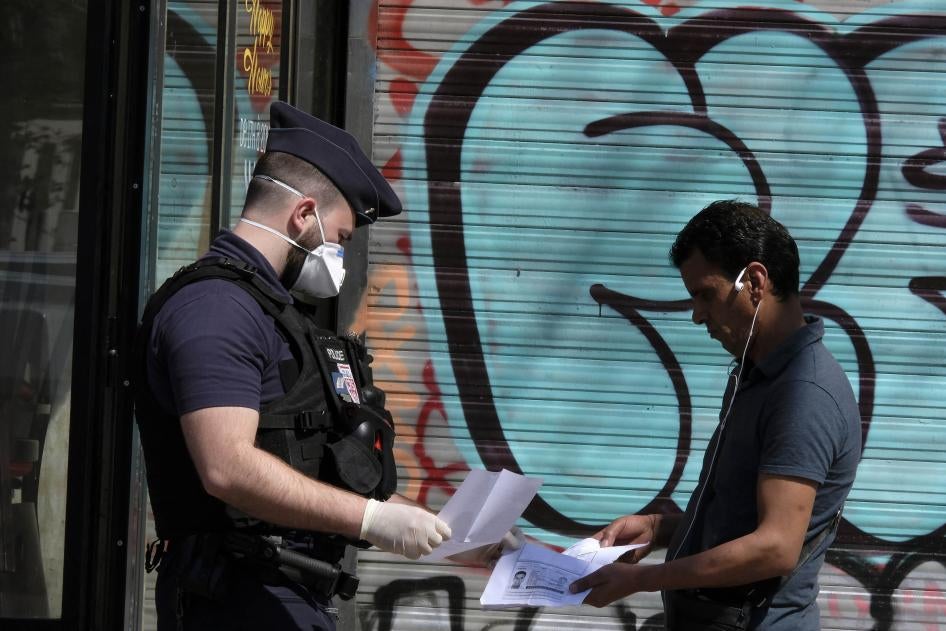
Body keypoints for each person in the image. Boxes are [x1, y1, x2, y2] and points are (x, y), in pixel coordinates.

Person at [135, 102, 516, 631]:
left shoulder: (273, 313)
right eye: (341, 238)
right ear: (304, 214)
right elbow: (226, 466)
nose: (340, 255)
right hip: (236, 598)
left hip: (285, 593)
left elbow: (310, 470)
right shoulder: (216, 309)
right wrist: (374, 519)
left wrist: (452, 536)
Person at [569, 200, 861, 630]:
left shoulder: (803, 393)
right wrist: (659, 528)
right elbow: (737, 514)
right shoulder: (757, 373)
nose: (697, 315)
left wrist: (642, 579)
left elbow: (775, 545)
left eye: (706, 294)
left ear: (755, 282)